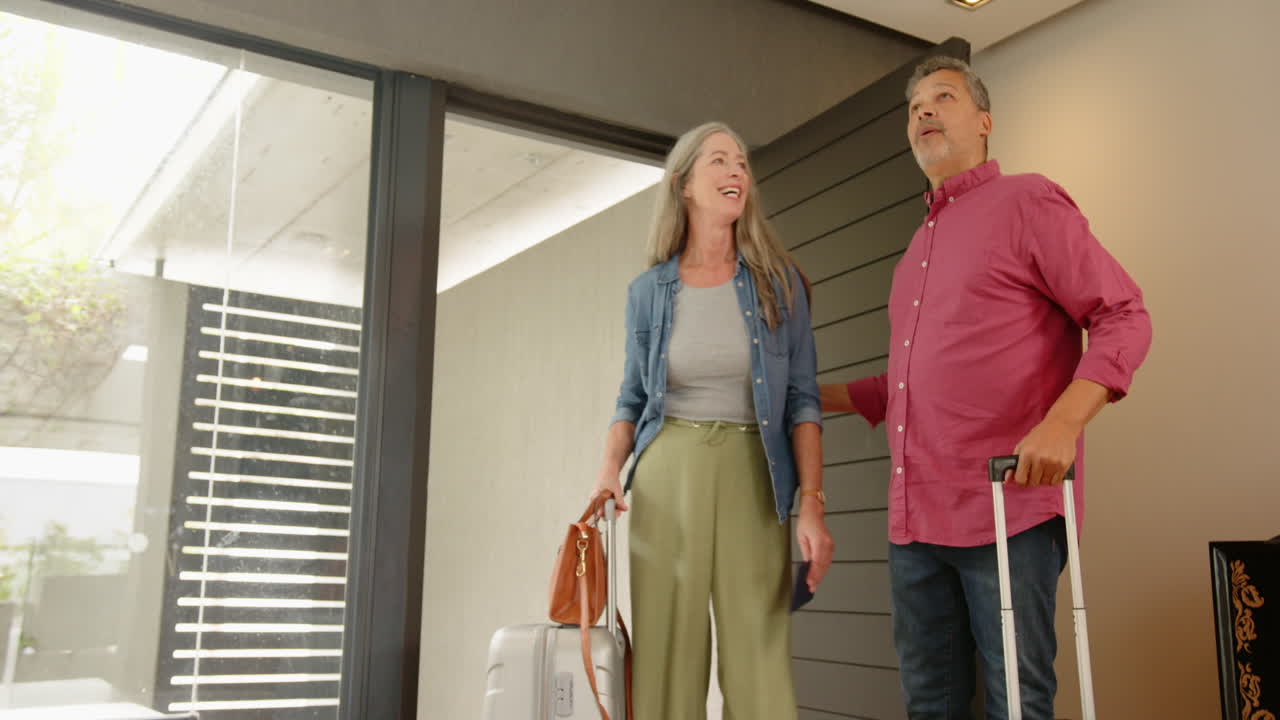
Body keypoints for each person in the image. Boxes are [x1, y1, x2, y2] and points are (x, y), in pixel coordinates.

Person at [819, 57, 1153, 719]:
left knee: (1017, 706)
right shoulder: (916, 250)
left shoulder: (1028, 201)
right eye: (913, 107)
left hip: (1008, 510)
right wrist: (812, 397)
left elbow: (1123, 316)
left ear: (985, 122)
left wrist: (1062, 425)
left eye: (942, 97)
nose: (922, 112)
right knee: (929, 704)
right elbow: (913, 386)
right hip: (915, 520)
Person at [592, 121, 834, 720]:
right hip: (668, 471)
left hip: (756, 471)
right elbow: (630, 400)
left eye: (743, 163)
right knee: (667, 650)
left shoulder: (780, 284)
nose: (737, 172)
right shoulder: (648, 292)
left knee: (759, 651)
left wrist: (812, 503)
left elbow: (803, 400)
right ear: (685, 185)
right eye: (720, 161)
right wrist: (606, 472)